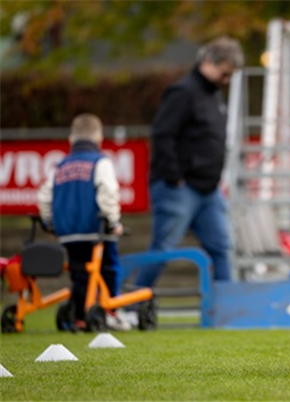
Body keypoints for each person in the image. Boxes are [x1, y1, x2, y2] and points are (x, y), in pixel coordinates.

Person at [133, 36, 244, 288]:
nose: (226, 81)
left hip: (208, 189)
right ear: (208, 62)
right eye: (224, 74)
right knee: (163, 248)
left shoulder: (214, 95)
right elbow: (163, 135)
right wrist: (174, 177)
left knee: (221, 247)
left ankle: (226, 312)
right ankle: (131, 305)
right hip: (180, 189)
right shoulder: (183, 92)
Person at [38, 113, 130, 331]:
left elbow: (44, 195)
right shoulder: (100, 162)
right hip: (96, 232)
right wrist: (114, 221)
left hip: (69, 233)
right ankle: (110, 311)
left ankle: (80, 316)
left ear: (71, 140)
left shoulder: (60, 166)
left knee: (80, 274)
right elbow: (108, 193)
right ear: (99, 140)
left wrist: (49, 222)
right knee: (109, 269)